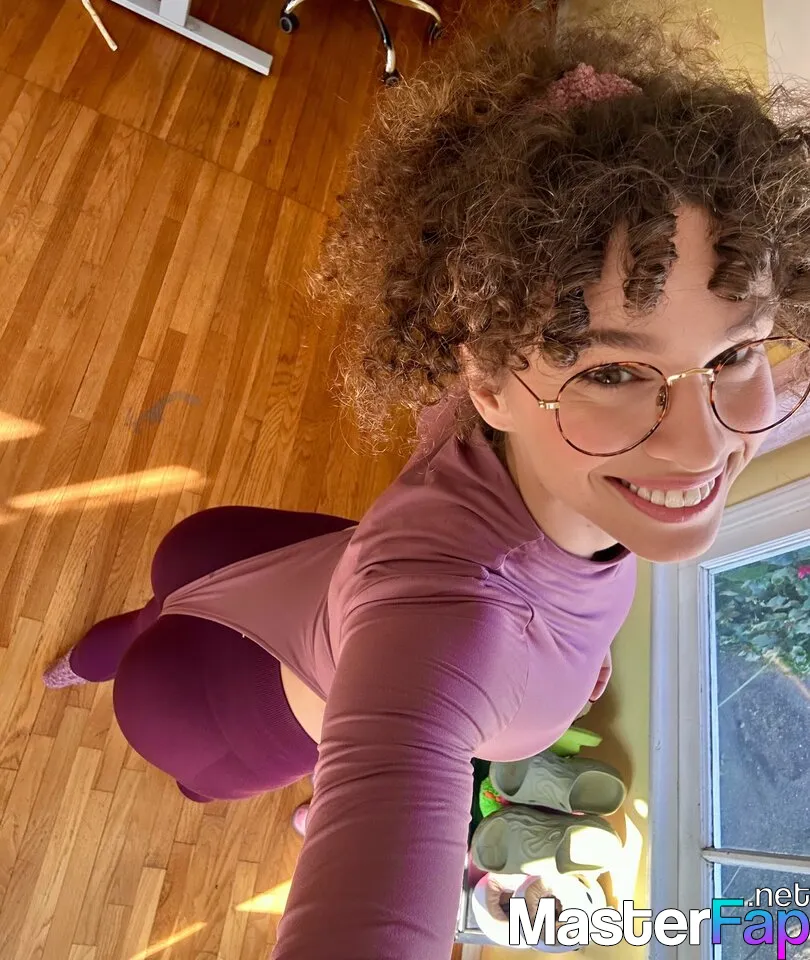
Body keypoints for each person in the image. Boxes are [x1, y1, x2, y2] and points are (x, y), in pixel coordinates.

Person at [42, 4, 810, 958]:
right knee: (186, 731)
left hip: (253, 552)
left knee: (156, 608)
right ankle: (104, 664)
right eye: (614, 371)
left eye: (736, 353)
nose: (702, 443)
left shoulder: (497, 396)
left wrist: (572, 666)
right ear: (486, 381)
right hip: (207, 708)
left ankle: (97, 652)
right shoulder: (443, 625)